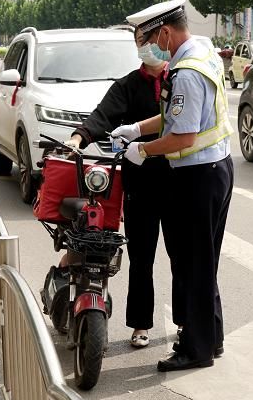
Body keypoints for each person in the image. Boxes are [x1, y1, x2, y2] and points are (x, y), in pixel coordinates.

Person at [115, 0, 234, 373]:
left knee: (193, 265)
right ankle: (211, 338)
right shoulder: (204, 52)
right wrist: (138, 127)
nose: (150, 49)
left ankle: (195, 348)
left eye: (150, 40)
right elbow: (172, 115)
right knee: (204, 261)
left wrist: (142, 150)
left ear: (165, 32)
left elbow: (181, 136)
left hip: (197, 177)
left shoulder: (185, 72)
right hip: (217, 169)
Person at [64, 29, 181, 349]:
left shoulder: (181, 78)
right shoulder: (128, 85)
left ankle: (185, 322)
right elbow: (102, 116)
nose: (146, 48)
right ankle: (141, 325)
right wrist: (79, 137)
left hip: (177, 180)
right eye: (139, 43)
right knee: (141, 257)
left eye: (150, 41)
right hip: (140, 183)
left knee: (179, 256)